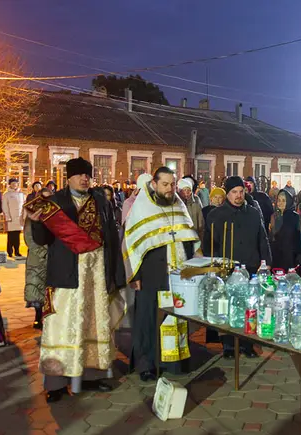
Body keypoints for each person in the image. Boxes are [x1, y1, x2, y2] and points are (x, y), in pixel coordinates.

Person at [28, 157, 125, 402]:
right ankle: (57, 384)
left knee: (93, 324)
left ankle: (92, 377)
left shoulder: (101, 201)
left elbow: (111, 238)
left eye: (88, 175)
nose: (84, 179)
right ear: (69, 177)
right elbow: (41, 240)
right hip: (65, 276)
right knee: (61, 329)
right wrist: (36, 223)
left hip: (96, 276)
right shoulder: (55, 202)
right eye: (80, 175)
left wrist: (116, 275)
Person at [123, 167, 200, 381]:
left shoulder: (178, 203)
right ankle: (146, 364)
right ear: (154, 184)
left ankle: (173, 361)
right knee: (147, 318)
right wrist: (134, 275)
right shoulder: (141, 207)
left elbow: (189, 236)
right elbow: (130, 243)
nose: (169, 189)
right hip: (150, 273)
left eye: (172, 184)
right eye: (165, 184)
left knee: (175, 317)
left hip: (177, 273)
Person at [204, 176, 271, 359]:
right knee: (226, 305)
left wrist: (266, 262)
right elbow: (211, 245)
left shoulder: (253, 213)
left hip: (250, 266)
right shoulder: (216, 215)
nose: (238, 196)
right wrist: (214, 266)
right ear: (227, 193)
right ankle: (228, 345)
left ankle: (247, 343)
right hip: (227, 267)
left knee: (248, 304)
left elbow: (262, 239)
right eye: (234, 192)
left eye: (241, 191)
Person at [24, 185, 49, 330]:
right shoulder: (31, 217)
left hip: (52, 258)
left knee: (48, 289)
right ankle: (37, 316)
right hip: (36, 259)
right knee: (36, 288)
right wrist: (42, 253)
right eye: (43, 198)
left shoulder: (54, 216)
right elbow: (29, 238)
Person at [269, 189, 301, 271]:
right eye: (279, 200)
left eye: (284, 200)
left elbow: (300, 237)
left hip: (291, 256)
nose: (280, 203)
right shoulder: (274, 216)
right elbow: (271, 236)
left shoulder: (295, 217)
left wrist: (300, 255)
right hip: (276, 256)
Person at [2, 178, 25, 258]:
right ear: (10, 185)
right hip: (11, 218)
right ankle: (10, 251)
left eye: (16, 183)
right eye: (13, 183)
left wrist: (24, 216)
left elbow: (24, 206)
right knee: (11, 235)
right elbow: (5, 206)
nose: (14, 185)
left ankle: (17, 251)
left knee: (17, 236)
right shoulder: (6, 194)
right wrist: (7, 216)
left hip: (19, 218)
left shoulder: (21, 194)